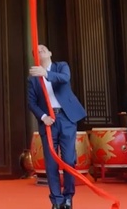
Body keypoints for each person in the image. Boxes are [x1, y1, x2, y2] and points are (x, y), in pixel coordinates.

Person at [28, 44, 87, 209]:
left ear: (50, 53)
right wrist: (43, 117)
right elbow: (31, 102)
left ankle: (68, 197)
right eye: (37, 50)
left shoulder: (61, 66)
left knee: (68, 159)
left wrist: (46, 73)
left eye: (43, 48)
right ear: (35, 57)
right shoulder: (32, 78)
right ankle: (56, 200)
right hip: (48, 121)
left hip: (66, 117)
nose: (40, 50)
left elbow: (64, 78)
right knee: (51, 162)